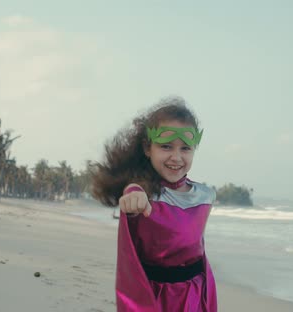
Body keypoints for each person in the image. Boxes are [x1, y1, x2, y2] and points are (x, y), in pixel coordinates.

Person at [91, 97, 217, 312]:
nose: (176, 157)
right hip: (155, 296)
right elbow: (134, 191)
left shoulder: (203, 195)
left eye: (185, 148)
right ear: (148, 148)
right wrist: (133, 196)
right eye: (166, 146)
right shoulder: (142, 193)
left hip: (195, 294)